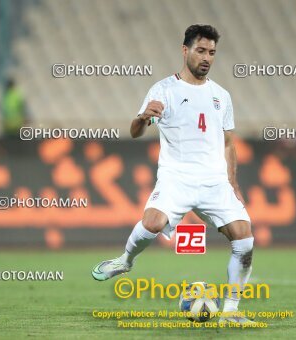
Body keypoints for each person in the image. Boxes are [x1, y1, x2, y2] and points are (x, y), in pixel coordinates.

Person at [92, 24, 254, 325]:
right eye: (201, 50)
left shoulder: (221, 95)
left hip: (214, 181)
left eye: (212, 53)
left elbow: (229, 142)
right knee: (152, 222)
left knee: (245, 238)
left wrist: (233, 182)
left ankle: (231, 310)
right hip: (176, 177)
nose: (206, 58)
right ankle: (125, 262)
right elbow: (135, 131)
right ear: (185, 50)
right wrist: (142, 117)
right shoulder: (163, 90)